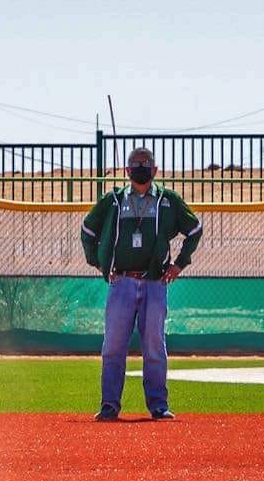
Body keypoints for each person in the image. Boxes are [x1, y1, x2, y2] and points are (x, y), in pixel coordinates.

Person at [79, 147, 203, 421]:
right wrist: (99, 263)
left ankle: (158, 406)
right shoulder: (113, 200)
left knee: (155, 346)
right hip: (122, 281)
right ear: (127, 170)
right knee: (113, 347)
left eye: (146, 163)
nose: (141, 167)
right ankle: (109, 405)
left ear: (155, 170)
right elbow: (87, 230)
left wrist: (179, 264)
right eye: (136, 163)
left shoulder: (167, 200)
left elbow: (195, 230)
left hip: (154, 283)